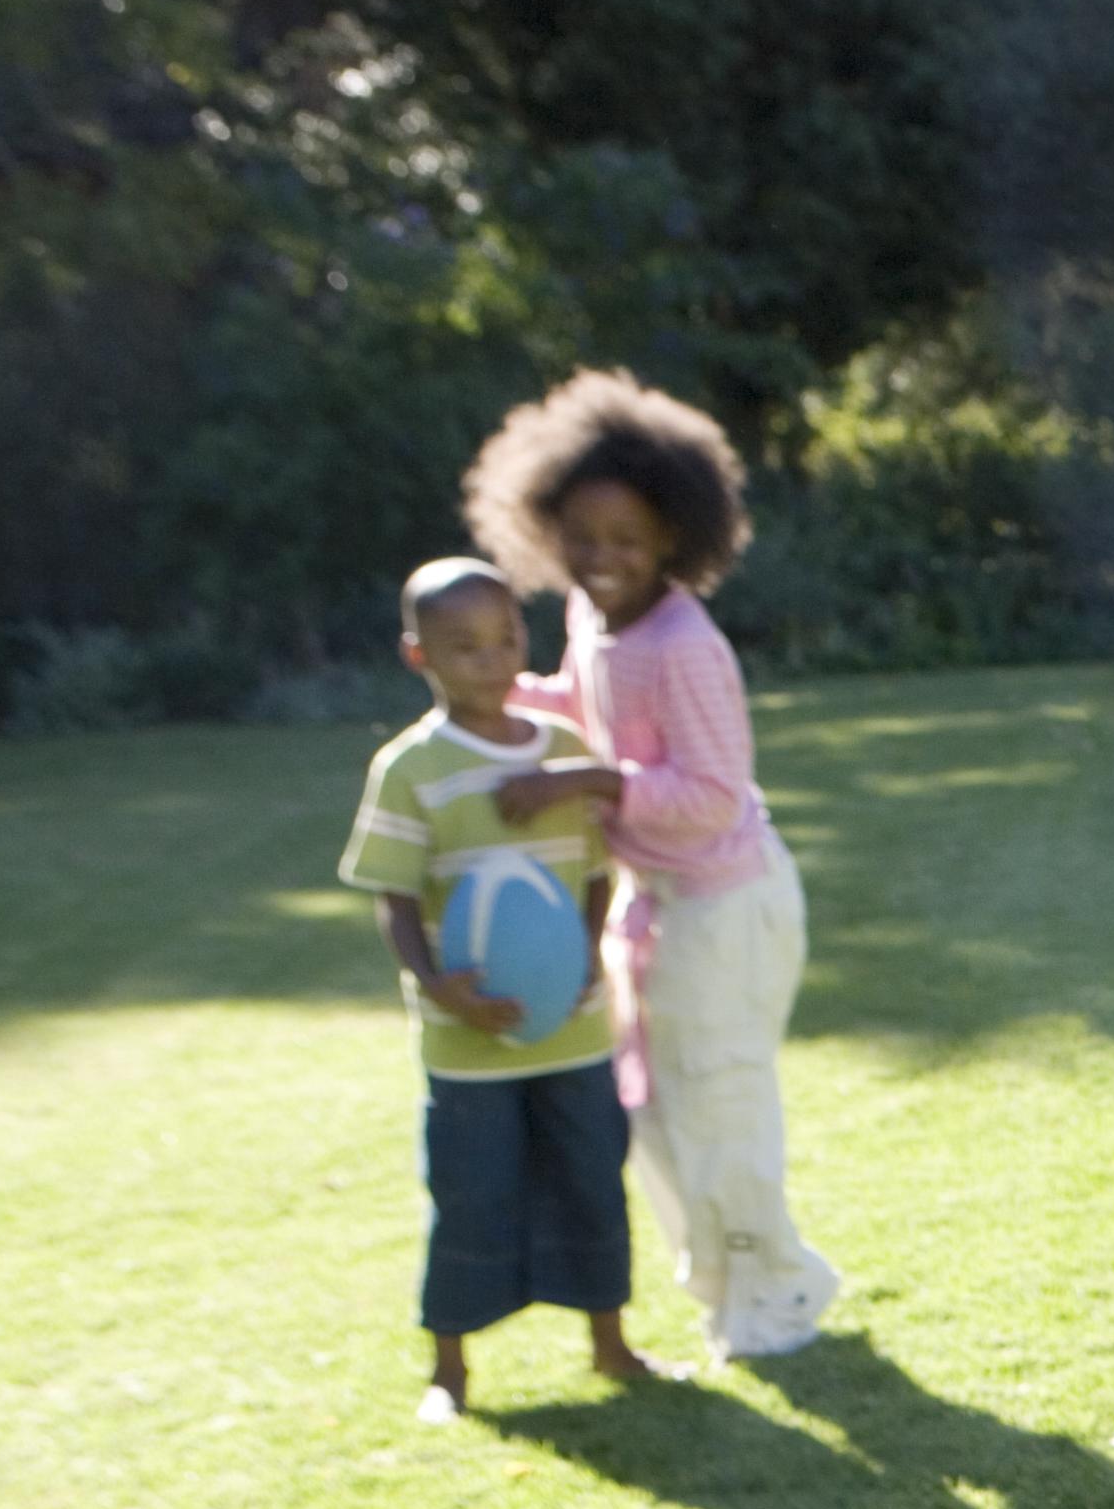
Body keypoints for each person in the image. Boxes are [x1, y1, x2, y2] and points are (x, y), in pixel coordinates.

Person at [463, 371, 843, 1364]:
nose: (602, 560)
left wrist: (587, 783)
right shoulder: (595, 619)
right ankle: (725, 1291)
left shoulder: (686, 644)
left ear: (675, 536)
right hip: (659, 911)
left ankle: (777, 1298)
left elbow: (712, 792)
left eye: (626, 541)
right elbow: (588, 708)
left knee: (722, 1107)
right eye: (582, 539)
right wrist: (509, 701)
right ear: (548, 528)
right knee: (657, 1112)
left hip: (726, 912)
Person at [335, 559, 652, 1421]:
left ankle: (612, 1345)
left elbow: (593, 872)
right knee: (472, 1196)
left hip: (575, 1035)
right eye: (464, 646)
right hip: (468, 1048)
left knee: (593, 1181)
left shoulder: (561, 755)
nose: (492, 658)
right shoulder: (410, 770)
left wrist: (587, 955)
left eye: (508, 636)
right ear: (418, 655)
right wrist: (439, 986)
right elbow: (393, 898)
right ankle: (451, 1373)